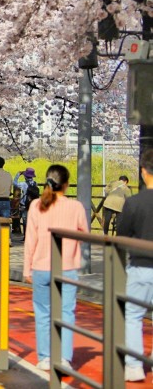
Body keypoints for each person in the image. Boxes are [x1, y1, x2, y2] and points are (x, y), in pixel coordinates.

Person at [23, 164, 88, 371]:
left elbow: (30, 239)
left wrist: (27, 268)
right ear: (66, 185)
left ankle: (45, 357)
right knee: (66, 312)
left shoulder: (36, 205)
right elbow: (85, 234)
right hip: (67, 267)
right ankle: (64, 357)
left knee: (43, 312)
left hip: (41, 266)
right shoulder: (76, 207)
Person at [117, 151, 153, 382]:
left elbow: (121, 235)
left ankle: (133, 365)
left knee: (132, 315)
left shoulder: (133, 202)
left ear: (143, 171)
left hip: (140, 265)